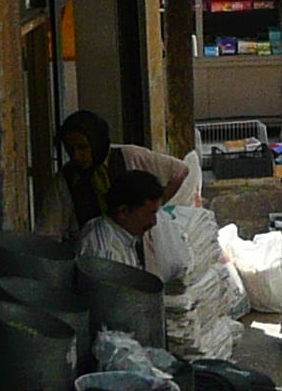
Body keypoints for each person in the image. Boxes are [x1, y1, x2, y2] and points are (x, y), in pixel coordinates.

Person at [45, 109, 191, 236]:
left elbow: (180, 171)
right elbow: (50, 229)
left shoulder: (129, 156)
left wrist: (153, 207)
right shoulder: (67, 178)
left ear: (97, 143)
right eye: (70, 149)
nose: (76, 156)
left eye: (83, 148)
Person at [75, 168, 178, 284]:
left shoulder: (104, 226)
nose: (154, 222)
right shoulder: (108, 256)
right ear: (124, 211)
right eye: (150, 213)